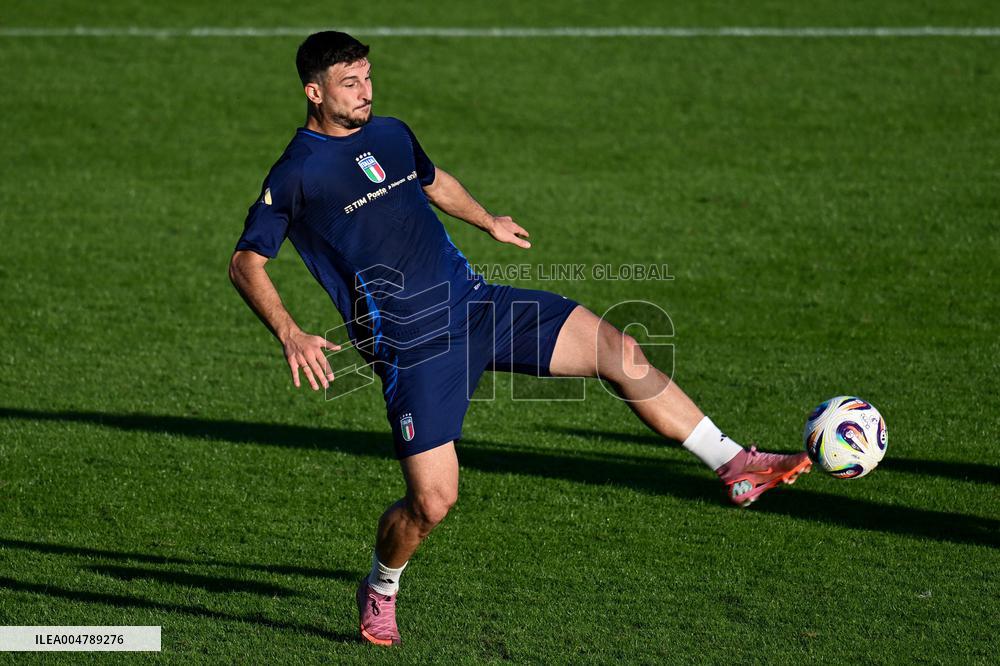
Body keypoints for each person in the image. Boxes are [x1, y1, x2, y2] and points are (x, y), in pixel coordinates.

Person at [229, 31, 811, 647]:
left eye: (369, 77)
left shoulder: (391, 132)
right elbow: (246, 262)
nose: (366, 91)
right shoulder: (297, 172)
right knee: (432, 503)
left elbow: (429, 179)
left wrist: (487, 220)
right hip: (415, 345)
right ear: (313, 92)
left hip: (480, 304)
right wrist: (290, 333)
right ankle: (381, 587)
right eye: (351, 83)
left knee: (620, 350)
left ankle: (734, 465)